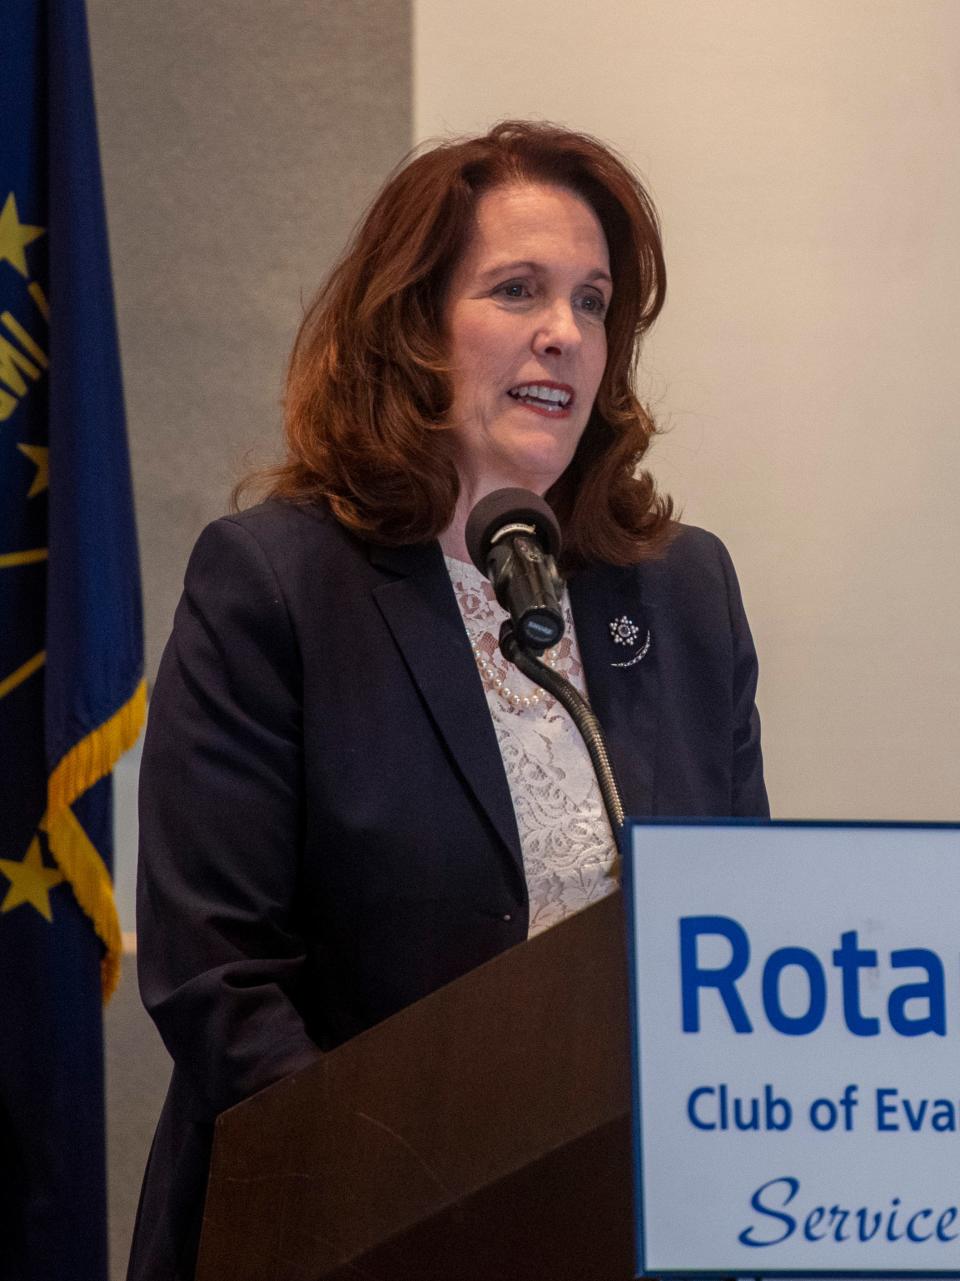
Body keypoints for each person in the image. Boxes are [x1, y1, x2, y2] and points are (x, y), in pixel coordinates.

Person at [127, 120, 768, 1280]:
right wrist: (424, 1203)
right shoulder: (277, 584)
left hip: (626, 1232)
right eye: (517, 288)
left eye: (594, 300)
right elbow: (217, 975)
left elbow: (738, 934)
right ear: (413, 325)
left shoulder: (682, 590)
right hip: (345, 1233)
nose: (564, 333)